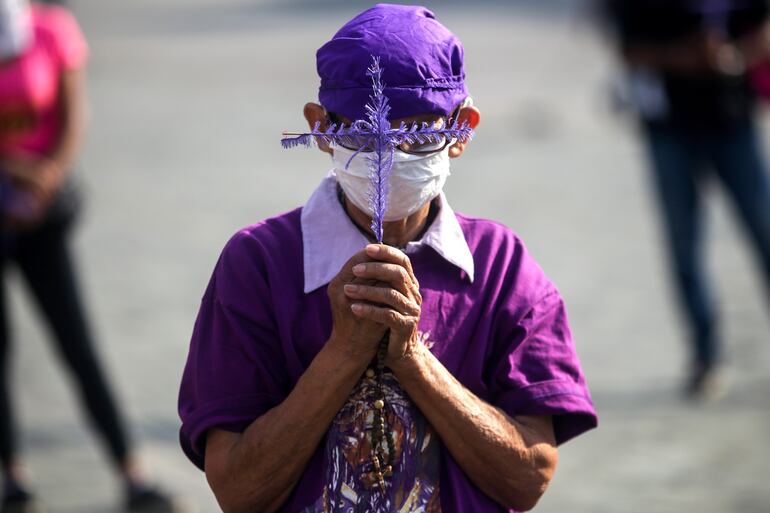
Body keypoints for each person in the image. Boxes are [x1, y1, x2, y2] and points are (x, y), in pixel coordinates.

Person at [178, 4, 597, 513]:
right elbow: (239, 492)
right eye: (362, 134)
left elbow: (528, 478)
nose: (388, 157)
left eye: (418, 133)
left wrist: (414, 361)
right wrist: (344, 353)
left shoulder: (500, 265)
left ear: (462, 129)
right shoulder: (259, 263)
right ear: (319, 128)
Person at [0, 1, 179, 511]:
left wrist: (44, 178)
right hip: (17, 188)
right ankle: (13, 475)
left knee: (77, 345)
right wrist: (15, 166)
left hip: (42, 212)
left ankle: (131, 472)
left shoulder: (50, 28)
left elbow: (72, 117)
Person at [601, 0, 770, 399]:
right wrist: (686, 58)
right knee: (685, 247)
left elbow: (763, 27)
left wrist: (734, 57)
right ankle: (707, 357)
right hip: (669, 128)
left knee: (764, 235)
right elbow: (628, 50)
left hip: (733, 120)